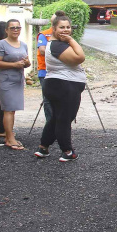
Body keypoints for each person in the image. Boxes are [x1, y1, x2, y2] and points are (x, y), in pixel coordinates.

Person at [34, 15, 85, 162]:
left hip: (59, 84)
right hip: (63, 85)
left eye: (68, 27)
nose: (65, 30)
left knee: (56, 118)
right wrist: (71, 40)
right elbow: (80, 57)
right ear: (54, 29)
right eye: (61, 27)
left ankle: (43, 147)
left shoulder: (57, 44)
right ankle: (67, 151)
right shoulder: (58, 45)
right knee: (64, 119)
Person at [0, 19, 30, 150]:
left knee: (13, 109)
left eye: (18, 27)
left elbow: (27, 62)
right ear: (6, 30)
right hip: (6, 80)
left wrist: (26, 63)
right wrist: (14, 64)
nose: (15, 30)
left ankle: (10, 136)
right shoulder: (1, 44)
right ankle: (9, 137)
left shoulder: (23, 45)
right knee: (8, 109)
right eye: (12, 28)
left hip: (18, 79)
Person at [36, 11, 66, 136]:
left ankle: (61, 126)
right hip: (45, 72)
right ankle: (50, 127)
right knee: (48, 100)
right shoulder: (44, 35)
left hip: (63, 72)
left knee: (63, 99)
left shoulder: (66, 36)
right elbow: (42, 50)